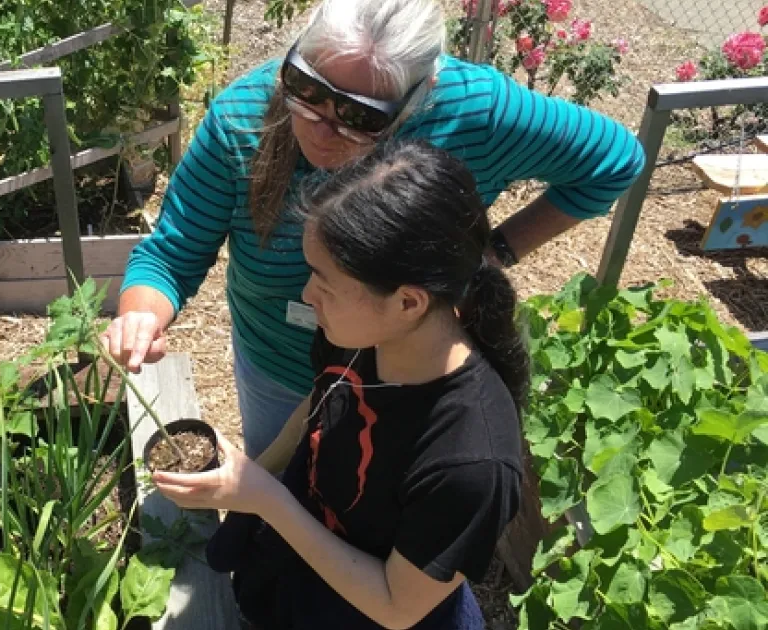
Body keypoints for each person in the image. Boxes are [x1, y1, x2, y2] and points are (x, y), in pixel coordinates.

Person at [103, 0, 645, 458]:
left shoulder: (477, 110)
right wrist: (140, 317)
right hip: (279, 366)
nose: (322, 129)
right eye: (305, 89)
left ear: (423, 92)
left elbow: (614, 162)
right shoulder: (240, 120)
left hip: (410, 375)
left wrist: (496, 252)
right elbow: (172, 252)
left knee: (374, 511)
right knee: (285, 491)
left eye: (360, 116)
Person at [152, 138, 527, 629]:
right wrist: (251, 477)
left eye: (324, 282)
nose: (308, 294)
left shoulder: (471, 464)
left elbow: (396, 607)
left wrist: (265, 498)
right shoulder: (366, 335)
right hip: (296, 587)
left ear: (408, 302)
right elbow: (320, 401)